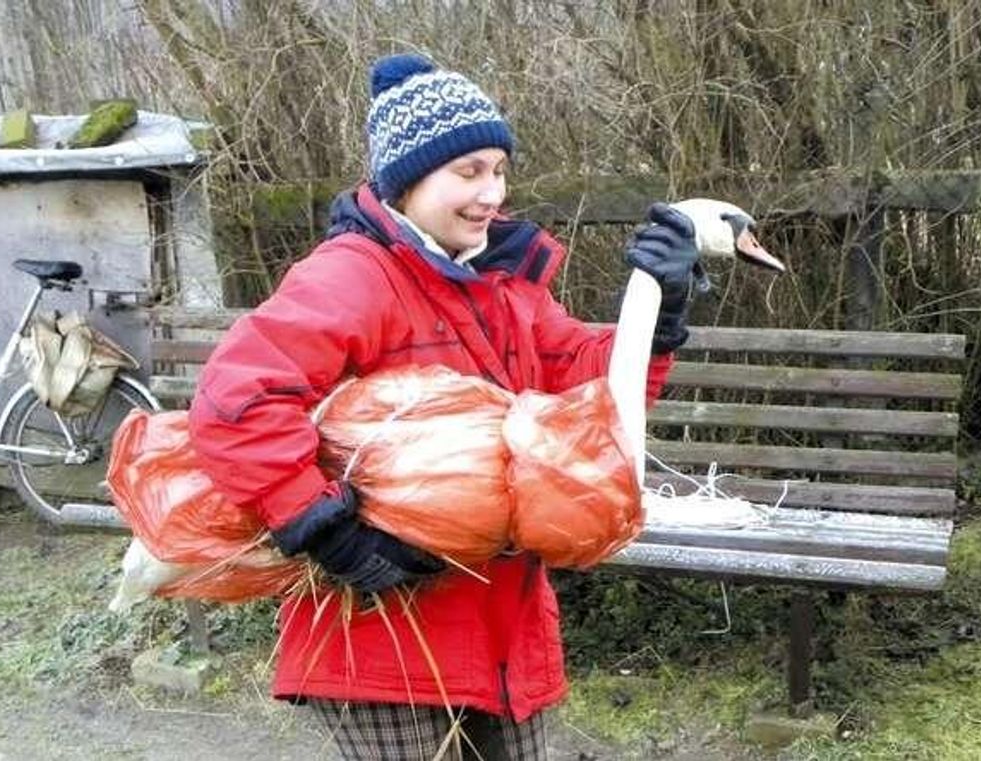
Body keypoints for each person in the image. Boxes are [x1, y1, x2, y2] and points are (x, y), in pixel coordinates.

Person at [188, 53, 699, 761]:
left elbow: (589, 397)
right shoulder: (354, 275)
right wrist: (319, 522)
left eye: (498, 169)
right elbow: (237, 395)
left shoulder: (502, 287)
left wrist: (657, 310)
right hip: (383, 627)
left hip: (503, 624)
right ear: (407, 179)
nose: (492, 193)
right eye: (468, 172)